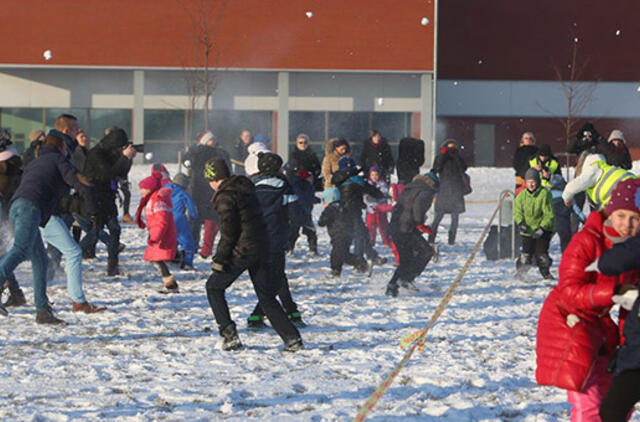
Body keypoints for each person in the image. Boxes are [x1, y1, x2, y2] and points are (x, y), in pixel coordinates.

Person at [536, 178, 640, 421]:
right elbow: (569, 290)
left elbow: (632, 309)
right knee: (588, 400)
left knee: (613, 400)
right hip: (568, 320)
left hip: (600, 325)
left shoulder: (634, 251)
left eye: (635, 219)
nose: (627, 224)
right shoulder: (587, 240)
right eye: (622, 216)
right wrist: (612, 292)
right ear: (610, 213)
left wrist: (629, 346)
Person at [203, 159, 303, 352]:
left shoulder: (225, 196)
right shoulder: (245, 188)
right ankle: (292, 338)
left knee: (213, 287)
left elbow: (229, 232)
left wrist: (220, 259)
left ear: (214, 179)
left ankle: (229, 335)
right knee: (266, 296)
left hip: (243, 249)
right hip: (263, 245)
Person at [0, 134, 96, 323]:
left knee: (40, 260)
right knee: (20, 249)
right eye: (67, 149)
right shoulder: (57, 158)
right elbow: (76, 180)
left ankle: (43, 312)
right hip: (30, 208)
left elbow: (51, 194)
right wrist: (93, 205)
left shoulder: (37, 162)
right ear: (62, 147)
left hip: (19, 206)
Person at [246, 152, 305, 329]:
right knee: (275, 279)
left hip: (254, 240)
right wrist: (293, 235)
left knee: (273, 278)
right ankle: (259, 316)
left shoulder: (251, 187)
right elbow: (297, 215)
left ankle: (290, 311)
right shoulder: (285, 187)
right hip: (275, 240)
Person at [83, 127, 136, 276]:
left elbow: (121, 173)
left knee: (114, 229)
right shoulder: (96, 153)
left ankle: (112, 266)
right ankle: (74, 252)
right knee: (96, 231)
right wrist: (124, 157)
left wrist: (128, 159)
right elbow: (108, 173)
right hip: (95, 196)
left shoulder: (110, 153)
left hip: (108, 196)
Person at [183, 130, 230, 259]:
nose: (213, 141)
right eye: (210, 139)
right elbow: (187, 161)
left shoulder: (220, 152)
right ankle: (193, 244)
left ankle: (207, 248)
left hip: (214, 189)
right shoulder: (196, 152)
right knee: (196, 219)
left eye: (213, 139)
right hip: (198, 189)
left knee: (213, 220)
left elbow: (227, 166)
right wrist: (188, 160)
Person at [331, 156, 386, 268]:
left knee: (363, 234)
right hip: (352, 211)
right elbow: (374, 192)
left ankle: (372, 256)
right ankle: (359, 263)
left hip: (342, 211)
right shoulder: (356, 180)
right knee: (359, 236)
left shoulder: (340, 178)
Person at [135, 173, 179, 292]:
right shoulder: (153, 199)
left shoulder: (158, 201)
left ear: (150, 189)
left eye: (143, 189)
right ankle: (170, 282)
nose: (141, 192)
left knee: (156, 259)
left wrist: (156, 236)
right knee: (156, 259)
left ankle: (171, 284)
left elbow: (162, 221)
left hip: (161, 236)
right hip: (158, 234)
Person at [513, 168, 554, 280]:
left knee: (541, 256)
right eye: (529, 182)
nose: (531, 185)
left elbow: (549, 214)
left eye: (533, 182)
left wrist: (542, 228)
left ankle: (546, 273)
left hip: (543, 229)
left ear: (538, 182)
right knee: (526, 256)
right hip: (527, 230)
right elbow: (517, 211)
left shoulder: (545, 194)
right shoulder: (521, 196)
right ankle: (520, 273)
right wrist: (520, 223)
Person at [562, 151, 635, 212]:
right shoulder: (602, 166)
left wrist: (567, 200)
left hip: (622, 192)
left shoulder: (591, 171)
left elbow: (570, 188)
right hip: (632, 181)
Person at [318, 187, 367, 276]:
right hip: (348, 234)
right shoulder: (345, 206)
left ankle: (337, 269)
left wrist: (323, 219)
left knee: (338, 254)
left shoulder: (330, 209)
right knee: (342, 254)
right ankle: (359, 263)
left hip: (338, 234)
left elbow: (321, 222)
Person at [429, 139, 467, 246]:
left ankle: (451, 240)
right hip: (443, 190)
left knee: (455, 218)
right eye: (449, 147)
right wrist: (443, 155)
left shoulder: (458, 157)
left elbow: (463, 168)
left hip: (456, 190)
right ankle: (431, 238)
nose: (451, 149)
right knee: (438, 217)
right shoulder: (440, 157)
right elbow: (436, 168)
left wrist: (456, 156)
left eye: (453, 147)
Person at [166, 173, 198, 269]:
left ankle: (170, 257)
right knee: (187, 242)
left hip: (165, 218)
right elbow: (191, 208)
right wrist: (194, 216)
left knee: (170, 240)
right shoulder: (183, 193)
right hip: (179, 219)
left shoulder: (164, 189)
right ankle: (187, 262)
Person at [286, 167, 320, 255]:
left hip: (294, 213)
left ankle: (289, 248)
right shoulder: (307, 185)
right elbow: (307, 198)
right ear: (307, 177)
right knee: (311, 232)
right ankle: (313, 249)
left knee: (293, 232)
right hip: (304, 212)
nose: (312, 179)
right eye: (310, 177)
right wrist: (316, 200)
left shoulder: (294, 184)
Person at [549, 174, 585, 252]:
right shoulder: (568, 196)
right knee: (566, 243)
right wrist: (585, 220)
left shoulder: (547, 195)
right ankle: (566, 258)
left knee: (544, 241)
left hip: (550, 223)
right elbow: (577, 211)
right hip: (564, 224)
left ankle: (538, 257)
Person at [364, 166, 392, 247]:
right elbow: (366, 196)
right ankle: (370, 241)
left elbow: (384, 194)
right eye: (372, 175)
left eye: (376, 175)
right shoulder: (367, 184)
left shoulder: (382, 184)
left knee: (383, 226)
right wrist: (373, 197)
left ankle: (386, 241)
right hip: (371, 209)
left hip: (381, 209)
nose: (374, 177)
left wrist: (376, 197)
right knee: (370, 227)